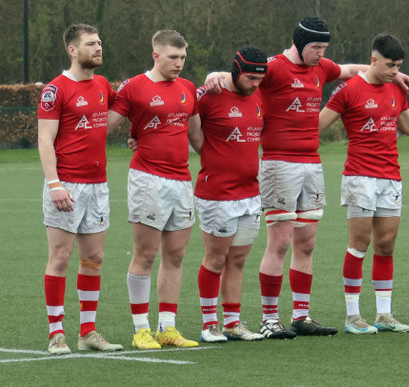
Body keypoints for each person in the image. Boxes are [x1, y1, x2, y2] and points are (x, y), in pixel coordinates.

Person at [204, 17, 409, 339]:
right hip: (278, 164)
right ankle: (270, 318)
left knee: (307, 242)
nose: (320, 53)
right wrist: (214, 76)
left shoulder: (322, 68)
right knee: (281, 241)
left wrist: (397, 74)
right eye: (316, 47)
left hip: (312, 165)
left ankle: (301, 315)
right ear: (300, 43)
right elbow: (238, 76)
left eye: (324, 48)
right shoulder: (273, 68)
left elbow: (352, 69)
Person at [319, 34, 409, 334]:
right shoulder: (349, 90)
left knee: (386, 245)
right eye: (389, 65)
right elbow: (317, 124)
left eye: (398, 66)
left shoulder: (396, 90)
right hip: (359, 177)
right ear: (373, 60)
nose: (394, 71)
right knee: (360, 244)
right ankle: (353, 316)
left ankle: (384, 315)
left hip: (390, 176)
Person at [107, 29, 201, 348]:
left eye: (183, 57)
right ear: (156, 55)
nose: (179, 63)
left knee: (176, 256)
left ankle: (167, 328)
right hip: (148, 179)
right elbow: (106, 125)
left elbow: (198, 139)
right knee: (146, 255)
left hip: (182, 181)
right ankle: (140, 329)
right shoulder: (134, 87)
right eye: (173, 57)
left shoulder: (189, 88)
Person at [38, 23, 123, 355]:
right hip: (67, 186)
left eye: (100, 42)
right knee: (60, 258)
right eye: (91, 43)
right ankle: (56, 333)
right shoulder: (55, 89)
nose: (98, 47)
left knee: (94, 258)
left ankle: (88, 332)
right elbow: (45, 141)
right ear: (72, 50)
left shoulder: (102, 84)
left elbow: (119, 113)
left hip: (98, 186)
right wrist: (54, 184)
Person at [189, 46, 269, 343]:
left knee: (237, 261)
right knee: (216, 259)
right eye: (250, 78)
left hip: (250, 193)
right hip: (217, 193)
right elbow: (176, 108)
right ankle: (210, 324)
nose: (256, 84)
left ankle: (233, 323)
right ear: (236, 72)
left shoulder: (259, 93)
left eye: (260, 79)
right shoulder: (210, 94)